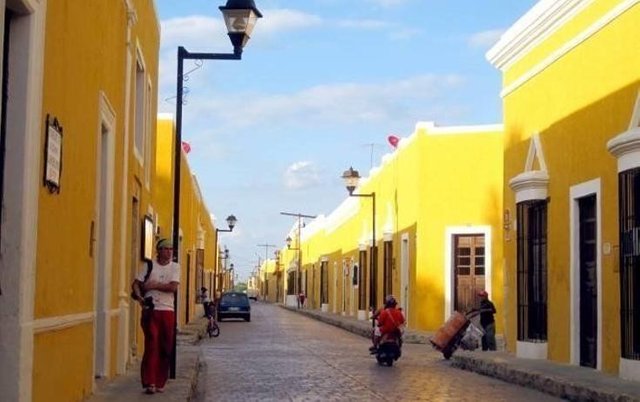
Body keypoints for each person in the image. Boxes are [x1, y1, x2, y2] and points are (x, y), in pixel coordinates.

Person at [131, 238, 180, 395]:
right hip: (151, 310)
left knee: (166, 347)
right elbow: (136, 284)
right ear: (158, 250)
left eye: (170, 249)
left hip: (167, 310)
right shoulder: (149, 265)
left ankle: (160, 381)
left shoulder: (175, 267)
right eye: (165, 249)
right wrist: (140, 298)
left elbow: (173, 287)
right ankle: (149, 382)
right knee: (152, 344)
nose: (168, 251)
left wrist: (154, 285)